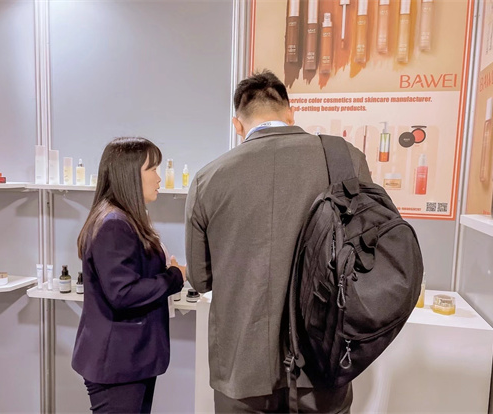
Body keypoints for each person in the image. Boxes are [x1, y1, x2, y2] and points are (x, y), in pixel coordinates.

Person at [185, 70, 372, 413]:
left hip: (242, 369)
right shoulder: (346, 159)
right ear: (290, 113)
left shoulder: (207, 179)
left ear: (237, 125)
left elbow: (200, 279)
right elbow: (367, 255)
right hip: (322, 362)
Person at [72, 137, 186, 414]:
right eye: (152, 169)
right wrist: (174, 277)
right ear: (130, 174)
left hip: (130, 359)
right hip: (117, 363)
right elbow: (123, 293)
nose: (159, 178)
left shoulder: (124, 219)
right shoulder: (114, 224)